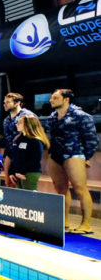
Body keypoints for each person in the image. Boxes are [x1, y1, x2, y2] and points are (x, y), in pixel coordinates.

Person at [47, 88, 98, 233]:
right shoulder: (52, 117)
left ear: (66, 99)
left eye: (55, 98)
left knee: (80, 189)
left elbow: (92, 139)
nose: (51, 100)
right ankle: (64, 223)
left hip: (74, 153)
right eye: (51, 98)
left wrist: (85, 157)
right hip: (56, 155)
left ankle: (85, 224)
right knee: (61, 189)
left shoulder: (81, 116)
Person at [1, 92, 35, 188]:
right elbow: (7, 140)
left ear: (17, 103)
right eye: (4, 102)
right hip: (11, 153)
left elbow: (33, 136)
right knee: (9, 183)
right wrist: (6, 156)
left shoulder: (28, 116)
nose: (5, 105)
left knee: (23, 185)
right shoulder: (6, 120)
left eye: (8, 102)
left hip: (23, 153)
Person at [9, 114, 49, 192]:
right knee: (20, 197)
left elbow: (35, 160)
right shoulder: (18, 139)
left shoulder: (36, 141)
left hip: (30, 173)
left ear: (29, 125)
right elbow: (14, 157)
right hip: (18, 173)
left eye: (20, 122)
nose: (17, 124)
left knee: (30, 197)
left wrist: (21, 172)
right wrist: (12, 172)